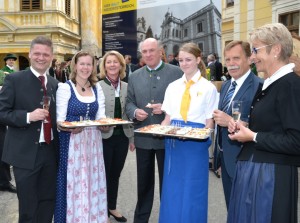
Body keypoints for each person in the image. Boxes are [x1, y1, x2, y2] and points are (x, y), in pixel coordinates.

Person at [227, 23, 300, 223]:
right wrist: (245, 127)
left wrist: (253, 136)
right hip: (256, 170)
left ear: (275, 50)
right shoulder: (271, 82)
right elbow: (271, 125)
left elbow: (296, 141)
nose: (252, 57)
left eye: (256, 50)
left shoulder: (290, 86)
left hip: (271, 177)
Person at [0, 36, 59, 222]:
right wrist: (27, 116)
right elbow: (2, 112)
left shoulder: (54, 83)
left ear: (51, 57)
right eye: (37, 53)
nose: (41, 58)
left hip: (50, 152)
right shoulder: (14, 79)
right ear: (30, 54)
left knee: (48, 201)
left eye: (45, 54)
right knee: (28, 205)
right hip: (24, 154)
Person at [159, 42, 219, 222]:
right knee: (173, 188)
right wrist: (160, 129)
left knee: (194, 188)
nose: (184, 64)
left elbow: (210, 122)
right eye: (180, 60)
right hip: (174, 142)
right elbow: (167, 118)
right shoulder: (173, 86)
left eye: (188, 60)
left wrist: (203, 135)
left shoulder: (208, 88)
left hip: (196, 143)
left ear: (198, 59)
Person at [126, 37, 182, 223]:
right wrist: (134, 111)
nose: (148, 54)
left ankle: (168, 217)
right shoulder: (134, 76)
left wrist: (166, 108)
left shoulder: (176, 73)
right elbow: (129, 102)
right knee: (143, 183)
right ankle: (141, 219)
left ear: (160, 51)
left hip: (168, 138)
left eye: (152, 50)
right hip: (143, 136)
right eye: (145, 51)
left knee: (168, 184)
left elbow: (184, 102)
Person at [54, 51, 109, 223]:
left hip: (93, 142)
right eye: (82, 64)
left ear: (93, 67)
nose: (86, 67)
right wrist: (70, 128)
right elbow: (59, 121)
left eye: (89, 64)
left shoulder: (97, 88)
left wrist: (105, 124)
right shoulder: (65, 87)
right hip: (72, 143)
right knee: (75, 182)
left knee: (92, 180)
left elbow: (101, 116)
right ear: (75, 66)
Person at [212, 40, 263, 209]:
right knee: (232, 209)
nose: (231, 64)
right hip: (226, 161)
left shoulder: (259, 86)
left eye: (236, 58)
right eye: (227, 60)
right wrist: (218, 158)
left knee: (247, 211)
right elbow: (219, 126)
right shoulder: (226, 85)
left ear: (249, 59)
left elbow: (262, 126)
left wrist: (230, 122)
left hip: (247, 162)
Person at [99, 50, 135, 222]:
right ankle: (101, 209)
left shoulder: (127, 86)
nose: (112, 65)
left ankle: (111, 207)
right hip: (103, 138)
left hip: (122, 137)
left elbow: (130, 113)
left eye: (115, 62)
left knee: (115, 174)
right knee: (103, 174)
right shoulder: (97, 86)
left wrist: (132, 139)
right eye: (108, 62)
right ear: (104, 66)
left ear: (121, 65)